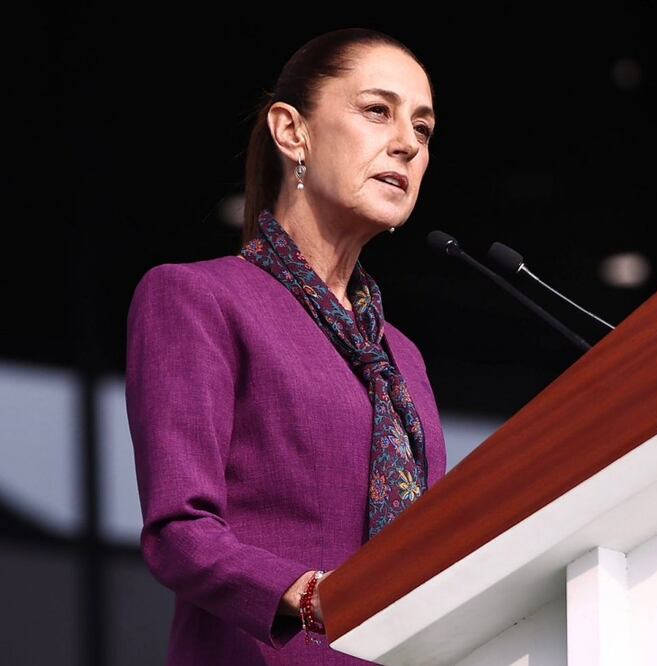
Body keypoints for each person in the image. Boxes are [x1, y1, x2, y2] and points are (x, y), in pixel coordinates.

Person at [125, 28, 447, 665]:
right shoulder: (197, 297)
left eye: (425, 128)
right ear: (291, 131)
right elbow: (179, 532)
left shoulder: (401, 357)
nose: (407, 143)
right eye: (376, 111)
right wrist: (308, 598)